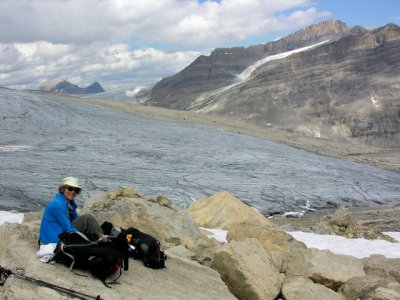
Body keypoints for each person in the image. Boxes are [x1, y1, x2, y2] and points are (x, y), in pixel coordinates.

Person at [39, 176, 105, 245]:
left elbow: (75, 219)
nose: (73, 192)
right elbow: (68, 228)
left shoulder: (69, 202)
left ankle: (103, 237)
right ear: (63, 189)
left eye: (76, 190)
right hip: (53, 240)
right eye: (70, 189)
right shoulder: (58, 204)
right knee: (87, 218)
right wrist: (83, 237)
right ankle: (104, 239)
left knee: (89, 224)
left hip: (57, 234)